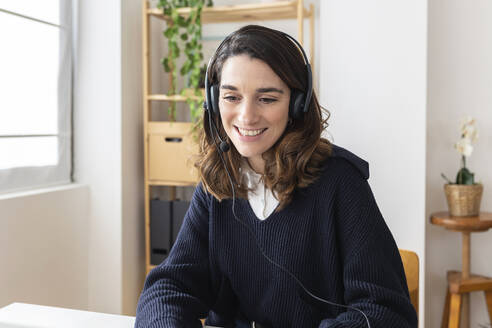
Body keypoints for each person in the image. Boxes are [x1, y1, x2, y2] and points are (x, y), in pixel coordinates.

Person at [135, 25, 418, 328]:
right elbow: (167, 287)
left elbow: (386, 312)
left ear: (298, 104)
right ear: (214, 100)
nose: (246, 116)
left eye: (267, 99)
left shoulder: (341, 182)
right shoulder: (220, 181)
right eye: (232, 97)